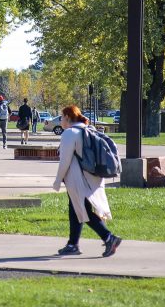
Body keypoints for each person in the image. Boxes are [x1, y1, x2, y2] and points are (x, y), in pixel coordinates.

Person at [52, 105, 122, 257]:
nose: (61, 120)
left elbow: (65, 161)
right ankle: (72, 244)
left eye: (62, 117)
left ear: (68, 118)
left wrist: (57, 181)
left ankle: (109, 237)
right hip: (93, 177)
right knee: (75, 210)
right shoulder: (88, 129)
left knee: (83, 211)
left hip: (78, 179)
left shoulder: (70, 133)